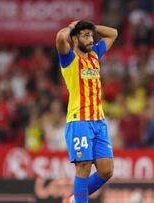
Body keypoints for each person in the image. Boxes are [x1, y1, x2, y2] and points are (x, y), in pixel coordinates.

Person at [56, 20, 117, 203]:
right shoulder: (69, 59)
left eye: (91, 35)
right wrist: (72, 28)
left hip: (99, 121)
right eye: (85, 35)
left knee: (107, 170)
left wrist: (92, 27)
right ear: (75, 38)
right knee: (83, 168)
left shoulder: (95, 55)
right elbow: (60, 37)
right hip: (79, 120)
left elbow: (113, 33)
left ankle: (74, 200)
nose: (90, 39)